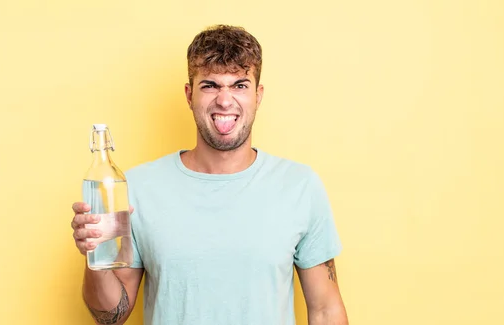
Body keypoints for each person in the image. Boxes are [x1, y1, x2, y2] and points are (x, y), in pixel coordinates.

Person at [71, 24, 348, 325]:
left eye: (240, 85)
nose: (225, 100)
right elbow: (111, 315)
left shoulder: (299, 186)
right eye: (210, 85)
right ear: (189, 95)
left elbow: (325, 311)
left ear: (258, 95)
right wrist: (95, 255)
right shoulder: (137, 188)